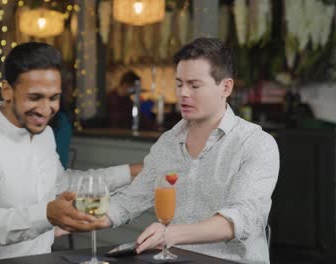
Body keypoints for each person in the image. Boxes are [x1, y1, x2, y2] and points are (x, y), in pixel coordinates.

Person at [0, 42, 142, 263]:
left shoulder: (43, 133)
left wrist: (131, 172)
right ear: (7, 90)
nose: (46, 110)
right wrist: (47, 214)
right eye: (35, 97)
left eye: (53, 98)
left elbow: (60, 184)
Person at [102, 37, 279, 263]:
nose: (183, 93)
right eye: (179, 84)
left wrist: (170, 234)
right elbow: (131, 200)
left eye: (194, 85)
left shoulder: (256, 143)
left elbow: (242, 216)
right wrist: (78, 219)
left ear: (226, 87)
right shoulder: (167, 142)